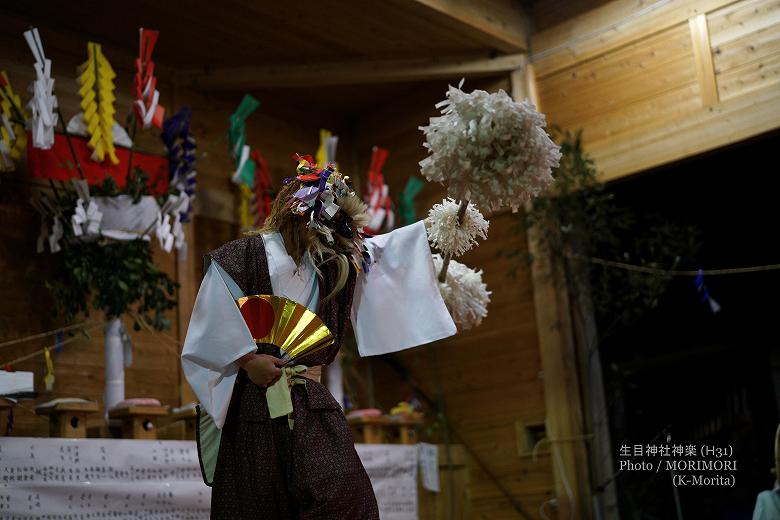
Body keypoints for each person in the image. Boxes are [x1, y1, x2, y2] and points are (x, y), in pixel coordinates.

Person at [181, 154, 456, 519]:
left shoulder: (331, 265)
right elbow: (211, 324)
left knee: (345, 497)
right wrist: (248, 361)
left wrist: (441, 230)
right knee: (258, 505)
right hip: (254, 403)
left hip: (310, 401)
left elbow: (387, 254)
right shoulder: (243, 255)